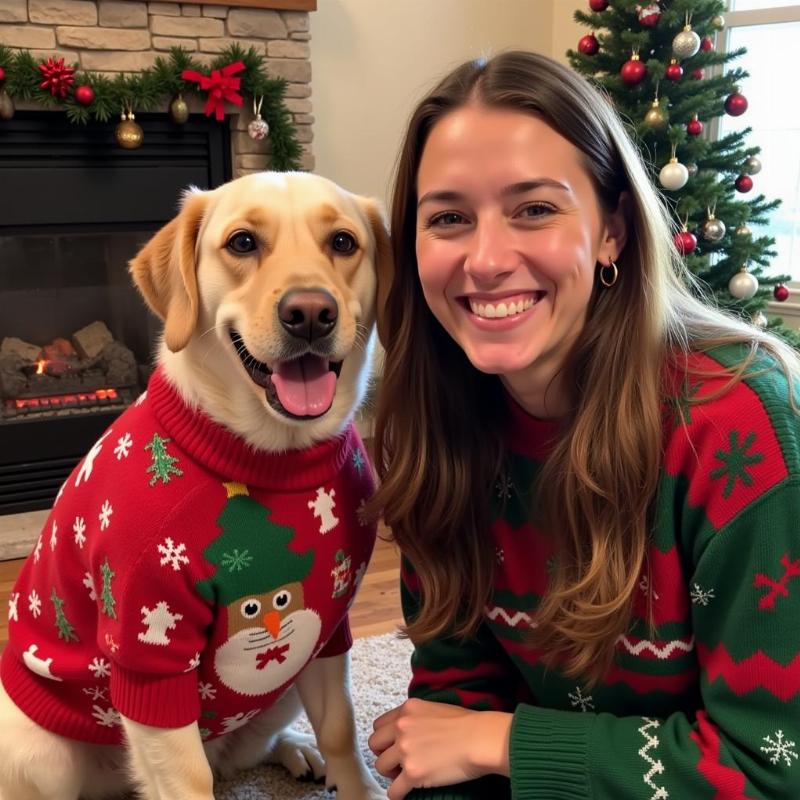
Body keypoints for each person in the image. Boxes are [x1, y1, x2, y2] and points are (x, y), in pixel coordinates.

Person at [365, 50, 800, 800]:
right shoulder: (433, 421)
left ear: (612, 233)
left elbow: (772, 767)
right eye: (448, 218)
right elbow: (453, 700)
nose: (487, 259)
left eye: (534, 208)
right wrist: (458, 748)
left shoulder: (738, 421)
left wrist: (507, 741)